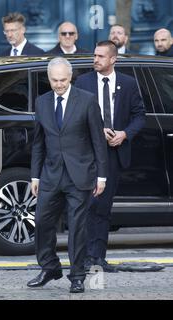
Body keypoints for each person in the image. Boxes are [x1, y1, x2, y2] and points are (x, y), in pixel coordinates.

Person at [27, 57, 107, 293]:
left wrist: (101, 176)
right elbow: (38, 143)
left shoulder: (87, 101)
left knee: (77, 227)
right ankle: (50, 267)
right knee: (41, 222)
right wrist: (35, 176)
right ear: (49, 78)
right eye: (54, 80)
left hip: (80, 175)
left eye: (63, 80)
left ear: (70, 77)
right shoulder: (41, 102)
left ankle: (77, 276)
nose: (59, 84)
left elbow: (98, 141)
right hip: (51, 175)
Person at [75, 41, 146, 272]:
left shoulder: (128, 83)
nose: (95, 59)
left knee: (104, 207)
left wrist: (125, 134)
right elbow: (75, 116)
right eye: (94, 55)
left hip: (114, 153)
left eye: (100, 56)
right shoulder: (83, 82)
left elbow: (139, 116)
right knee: (88, 205)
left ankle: (98, 257)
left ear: (113, 59)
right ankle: (84, 257)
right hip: (89, 153)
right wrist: (97, 130)